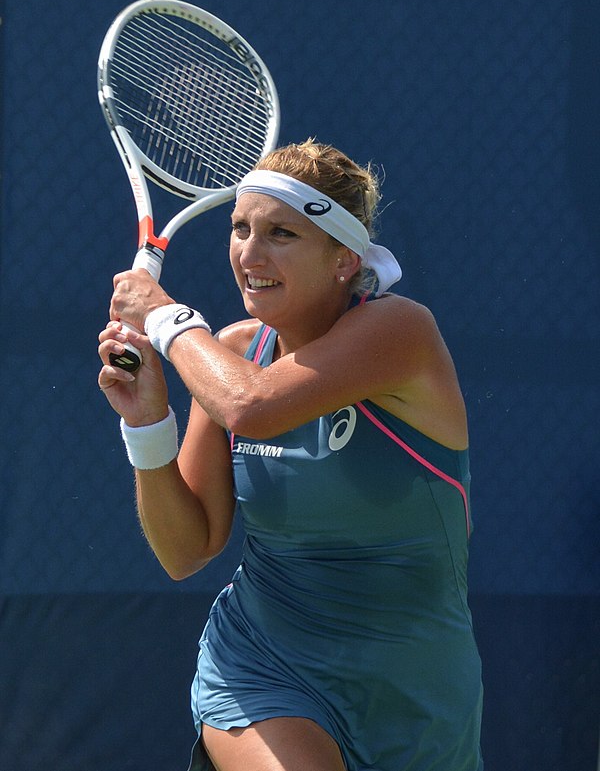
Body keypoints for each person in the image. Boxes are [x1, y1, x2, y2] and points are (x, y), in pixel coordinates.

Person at [98, 139, 484, 771]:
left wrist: (165, 319)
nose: (250, 253)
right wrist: (148, 427)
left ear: (342, 259)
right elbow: (186, 550)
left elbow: (253, 406)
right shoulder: (233, 353)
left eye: (281, 233)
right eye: (240, 228)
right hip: (262, 665)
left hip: (418, 694)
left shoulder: (401, 331)